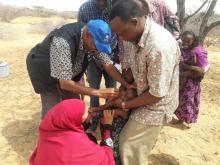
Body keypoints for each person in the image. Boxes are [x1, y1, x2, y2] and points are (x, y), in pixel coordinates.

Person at [109, 0, 180, 164]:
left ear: (134, 22)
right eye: (117, 34)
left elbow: (156, 94)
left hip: (158, 104)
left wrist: (126, 105)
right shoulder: (129, 35)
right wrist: (124, 89)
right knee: (121, 132)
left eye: (121, 33)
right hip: (142, 93)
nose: (120, 38)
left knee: (129, 143)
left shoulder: (159, 47)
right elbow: (128, 67)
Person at [26, 19, 131, 119]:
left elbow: (108, 65)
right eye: (97, 45)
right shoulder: (62, 42)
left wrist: (126, 84)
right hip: (45, 71)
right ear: (88, 36)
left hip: (67, 75)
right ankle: (50, 134)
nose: (97, 49)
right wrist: (98, 92)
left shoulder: (92, 40)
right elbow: (65, 83)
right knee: (52, 109)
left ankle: (70, 131)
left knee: (76, 107)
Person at [78, 0, 120, 135]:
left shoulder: (115, 8)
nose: (103, 2)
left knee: (111, 92)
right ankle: (94, 120)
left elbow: (119, 34)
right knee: (93, 90)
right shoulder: (85, 8)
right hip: (91, 58)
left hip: (110, 55)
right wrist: (91, 58)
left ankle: (107, 120)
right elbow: (82, 35)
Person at [29, 99, 115, 165]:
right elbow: (107, 160)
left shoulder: (49, 131)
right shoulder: (78, 146)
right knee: (91, 138)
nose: (90, 113)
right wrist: (107, 127)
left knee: (89, 136)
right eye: (85, 112)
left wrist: (87, 121)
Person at [90, 87, 137, 164]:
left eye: (125, 97)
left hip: (114, 141)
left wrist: (96, 110)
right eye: (124, 92)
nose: (122, 95)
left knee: (112, 154)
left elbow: (104, 113)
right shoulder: (117, 107)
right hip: (108, 134)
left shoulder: (122, 112)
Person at [175, 31, 209, 128]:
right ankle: (180, 119)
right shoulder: (180, 50)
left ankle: (189, 121)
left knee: (190, 101)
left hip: (192, 82)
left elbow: (203, 68)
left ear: (193, 41)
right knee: (181, 100)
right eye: (183, 41)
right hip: (182, 81)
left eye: (188, 41)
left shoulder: (196, 51)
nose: (185, 43)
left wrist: (188, 67)